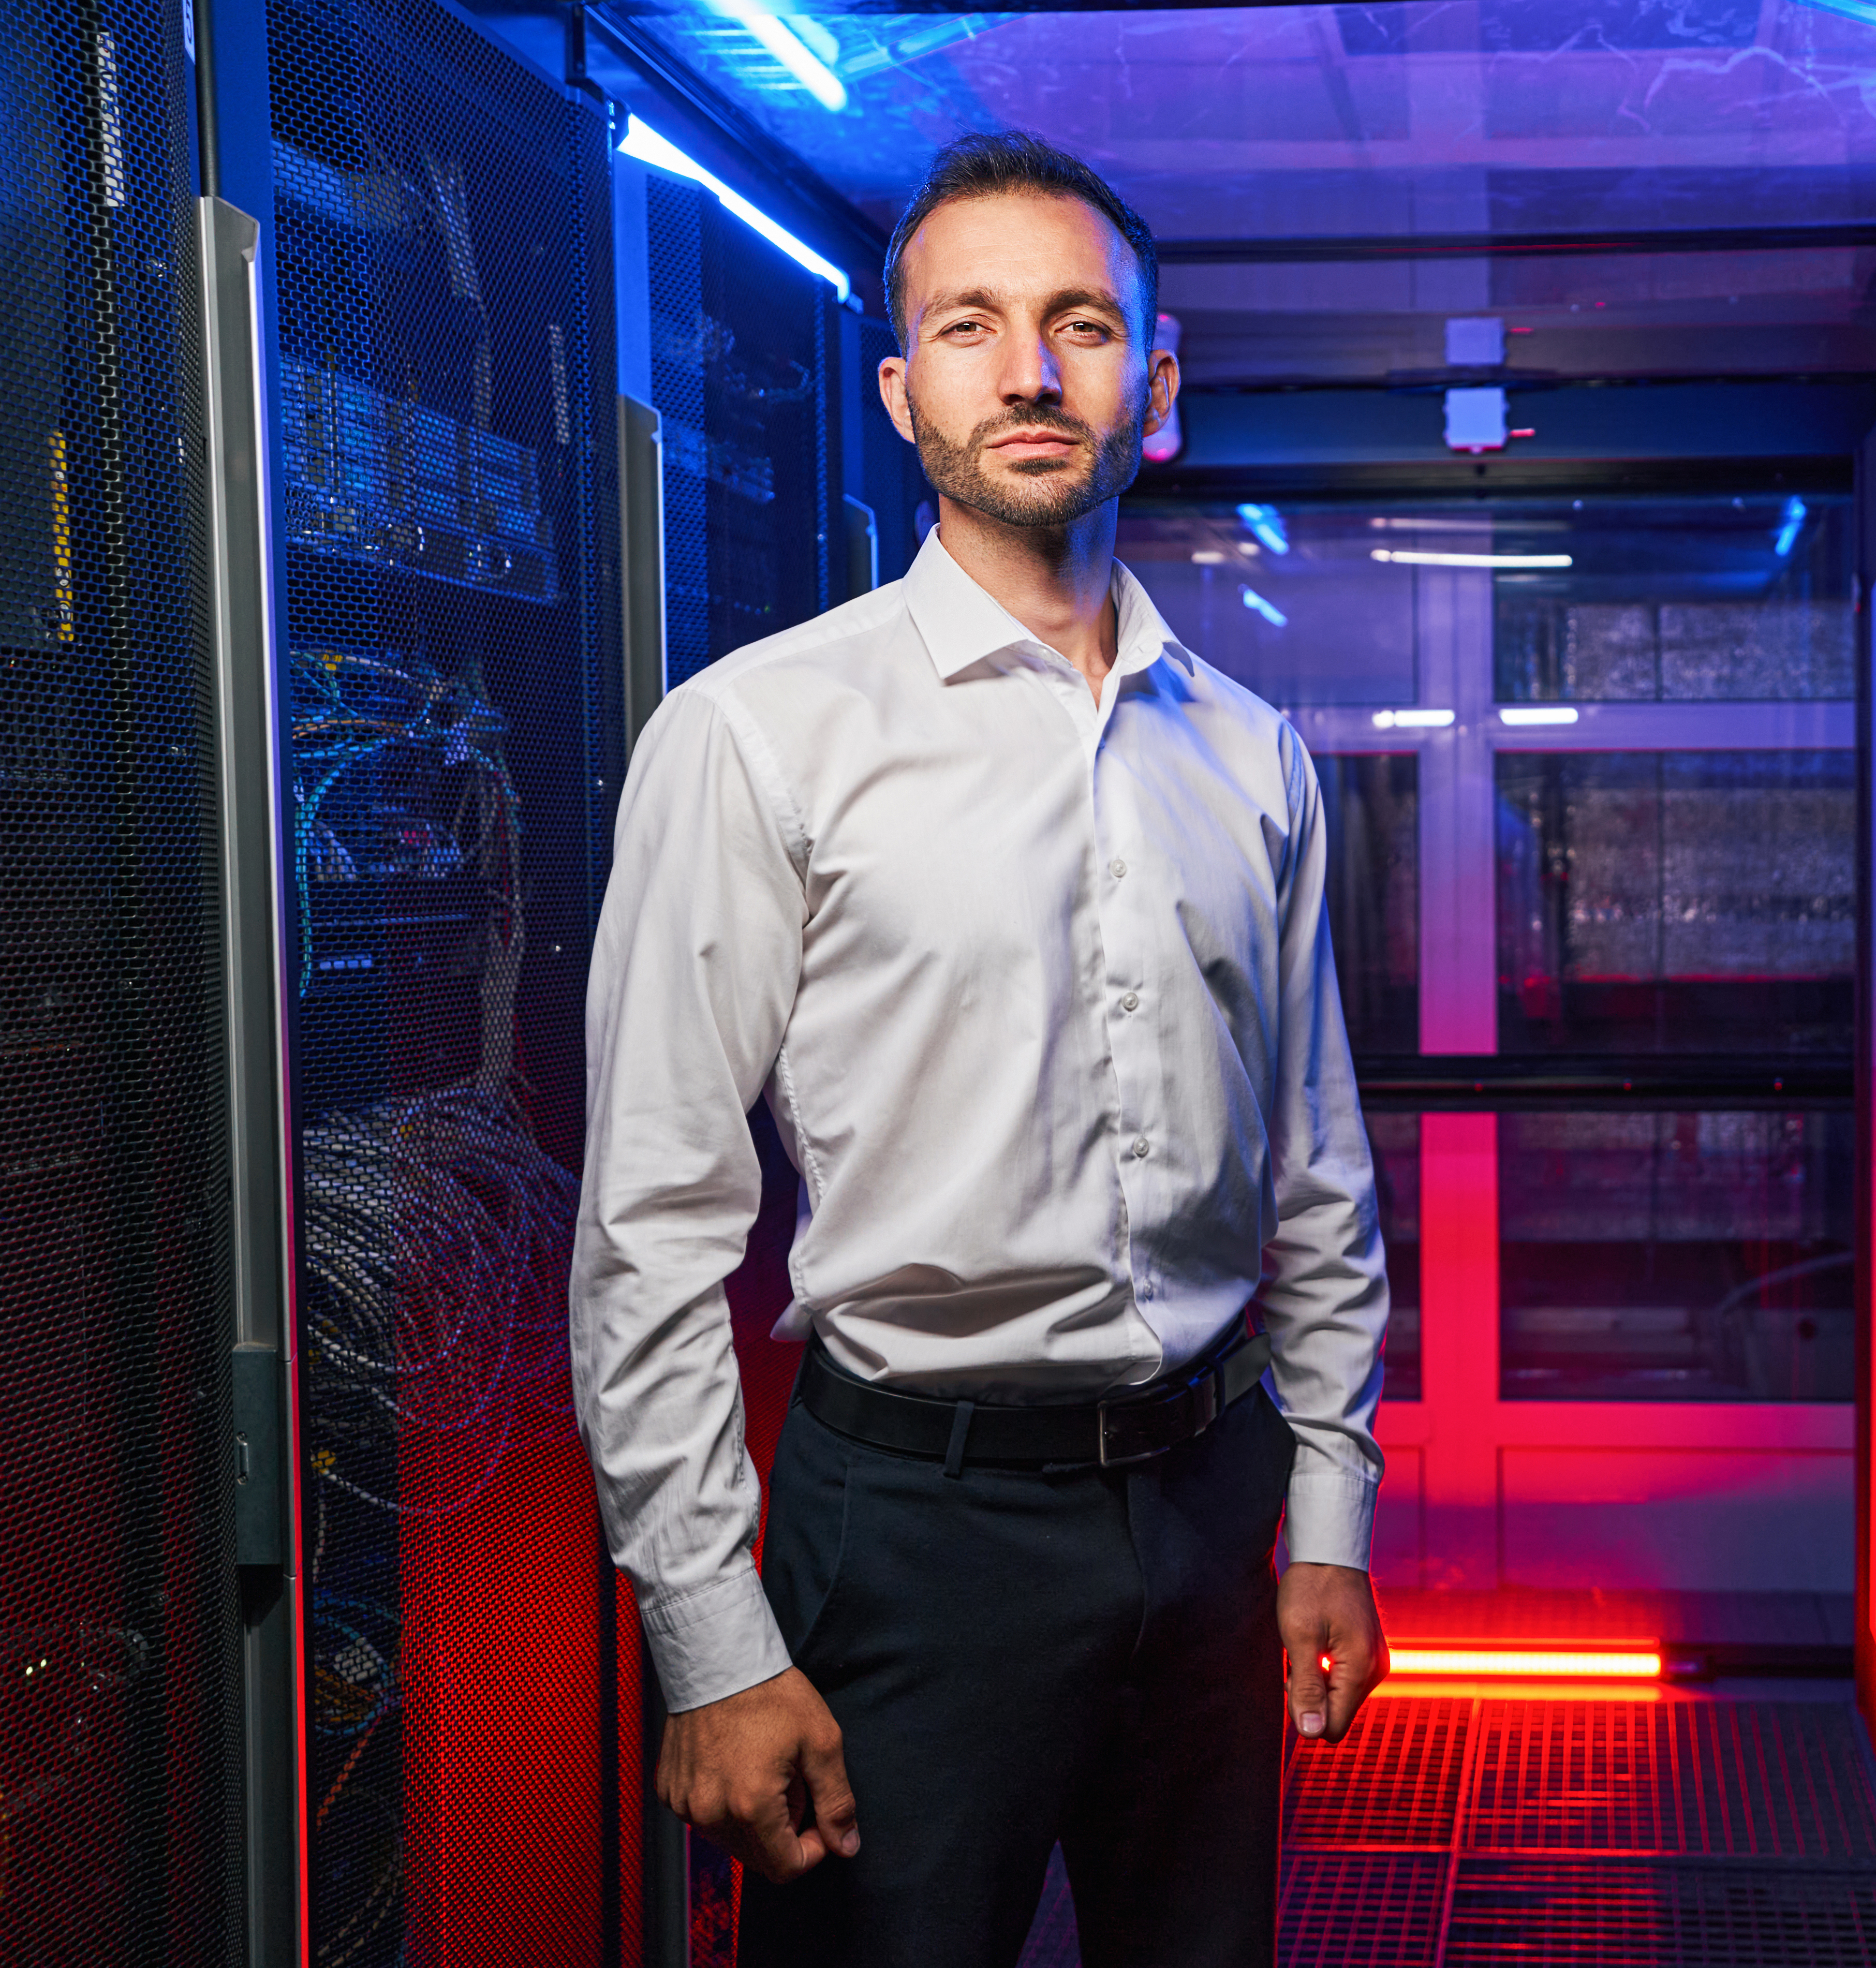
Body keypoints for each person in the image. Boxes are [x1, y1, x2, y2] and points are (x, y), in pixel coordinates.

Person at [569, 130, 1391, 1968]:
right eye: (973, 326)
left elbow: (1316, 1176)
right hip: (910, 1541)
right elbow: (650, 1223)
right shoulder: (759, 737)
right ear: (902, 384)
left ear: (1154, 384)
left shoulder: (1252, 753)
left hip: (1203, 1509)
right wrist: (711, 1639)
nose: (1029, 370)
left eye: (1081, 323)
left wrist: (1323, 1506)